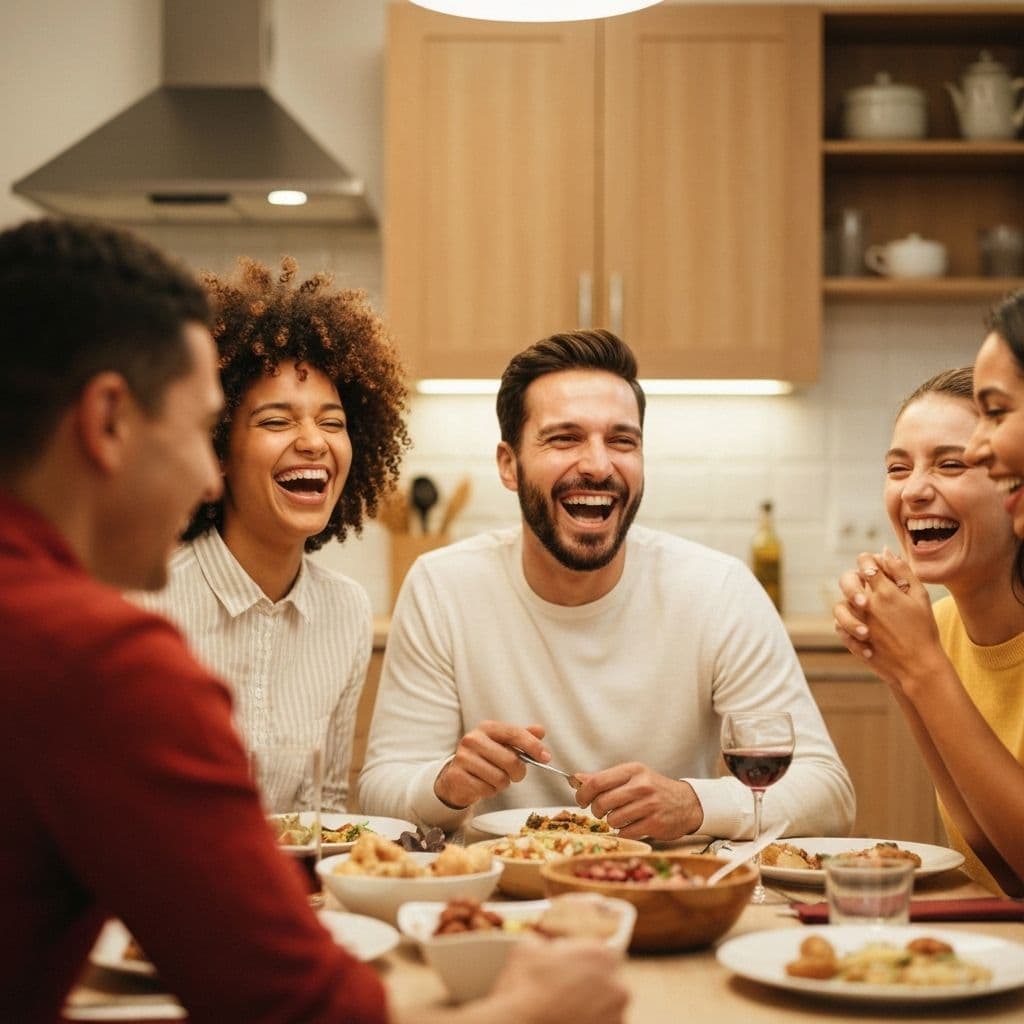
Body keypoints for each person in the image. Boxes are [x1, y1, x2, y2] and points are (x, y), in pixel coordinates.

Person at [0, 218, 629, 1023]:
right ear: (108, 420)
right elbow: (296, 1012)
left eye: (331, 422)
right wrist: (531, 1008)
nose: (204, 478)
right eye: (200, 430)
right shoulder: (103, 659)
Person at [359, 329, 854, 841]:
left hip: (667, 891)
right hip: (498, 901)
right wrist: (445, 785)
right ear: (509, 465)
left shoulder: (718, 590)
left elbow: (827, 791)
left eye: (622, 441)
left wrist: (693, 804)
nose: (598, 465)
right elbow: (380, 790)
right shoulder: (443, 588)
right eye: (564, 438)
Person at [135, 256, 409, 812]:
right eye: (277, 421)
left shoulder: (346, 611)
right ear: (218, 451)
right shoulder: (147, 604)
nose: (313, 442)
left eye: (332, 422)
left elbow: (327, 806)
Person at [834, 361, 1024, 896]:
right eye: (898, 469)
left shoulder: (930, 649)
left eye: (951, 464)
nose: (914, 490)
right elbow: (1000, 867)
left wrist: (920, 668)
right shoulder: (939, 628)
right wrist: (899, 672)